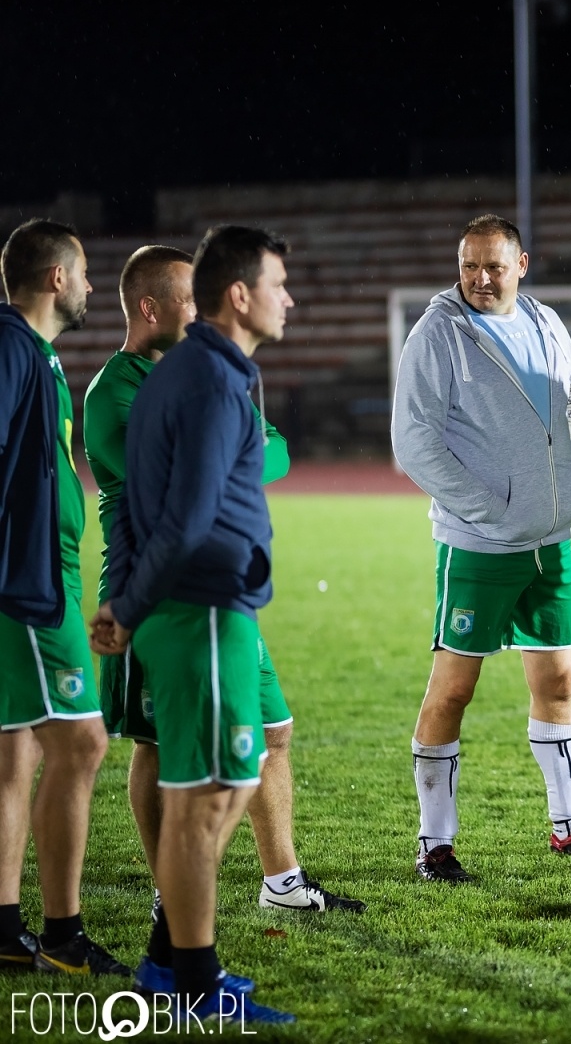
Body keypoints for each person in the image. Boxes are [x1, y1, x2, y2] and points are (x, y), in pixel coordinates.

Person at [83, 246, 362, 989]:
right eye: (279, 285)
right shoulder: (200, 380)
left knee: (229, 776)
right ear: (238, 295)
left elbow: (257, 462)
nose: (291, 300)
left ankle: (167, 960)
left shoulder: (199, 372)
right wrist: (130, 605)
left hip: (207, 606)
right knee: (202, 794)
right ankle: (189, 982)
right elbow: (184, 515)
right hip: (196, 607)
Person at [392, 213, 571, 883]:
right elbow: (414, 443)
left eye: (493, 265)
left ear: (521, 264)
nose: (479, 277)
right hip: (479, 545)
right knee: (453, 690)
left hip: (550, 539)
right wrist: (488, 509)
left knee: (558, 680)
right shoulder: (437, 334)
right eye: (469, 264)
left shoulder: (547, 321)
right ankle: (434, 847)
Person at [0, 219, 129, 977]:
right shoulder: (14, 348)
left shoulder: (31, 353)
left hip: (36, 575)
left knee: (14, 750)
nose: (88, 288)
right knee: (81, 743)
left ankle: (7, 927)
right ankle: (62, 934)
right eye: (82, 275)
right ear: (56, 278)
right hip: (26, 583)